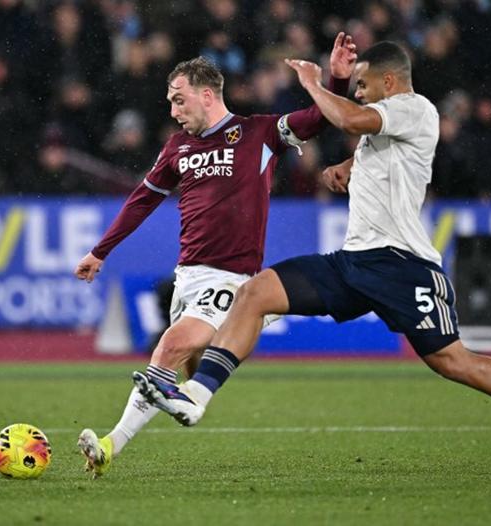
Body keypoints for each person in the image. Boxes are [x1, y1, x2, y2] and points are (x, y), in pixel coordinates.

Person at [138, 41, 491, 485]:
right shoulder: (386, 125)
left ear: (390, 81)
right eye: (355, 86)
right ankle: (196, 396)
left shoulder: (416, 108)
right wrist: (347, 167)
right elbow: (373, 145)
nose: (357, 91)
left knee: (455, 363)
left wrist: (315, 84)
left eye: (363, 84)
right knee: (254, 293)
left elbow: (351, 117)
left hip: (405, 266)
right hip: (354, 262)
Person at [73, 33, 358, 478]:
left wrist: (337, 81)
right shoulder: (177, 148)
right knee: (169, 367)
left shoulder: (260, 133)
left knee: (168, 347)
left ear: (207, 95)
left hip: (231, 279)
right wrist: (100, 250)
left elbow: (318, 120)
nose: (173, 110)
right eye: (170, 102)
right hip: (187, 277)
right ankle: (118, 443)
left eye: (179, 99)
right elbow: (142, 200)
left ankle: (126, 435)